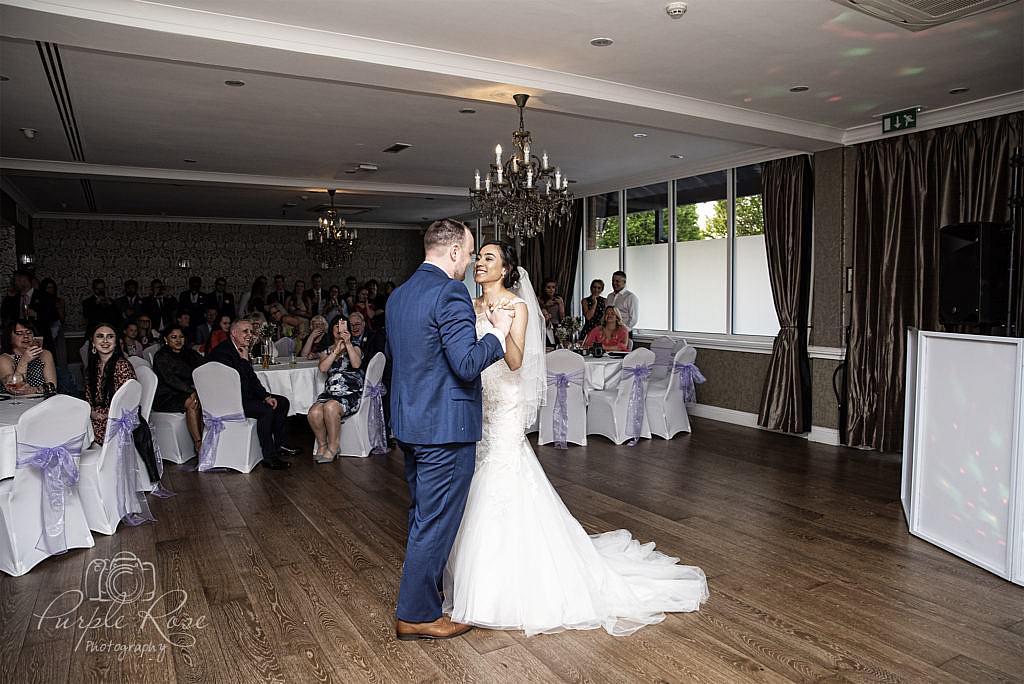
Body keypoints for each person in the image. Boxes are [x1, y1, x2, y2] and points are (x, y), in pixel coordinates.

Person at [444, 242, 708, 637]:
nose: (480, 264)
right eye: (478, 257)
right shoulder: (469, 305)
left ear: (506, 269)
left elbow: (516, 361)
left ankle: (501, 587)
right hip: (478, 399)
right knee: (477, 474)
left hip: (507, 401)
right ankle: (477, 574)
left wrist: (500, 329)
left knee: (501, 474)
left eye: (489, 259)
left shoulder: (517, 306)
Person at [386, 218, 513, 641]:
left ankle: (427, 594)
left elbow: (412, 363)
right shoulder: (450, 292)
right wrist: (497, 333)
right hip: (445, 428)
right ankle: (418, 614)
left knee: (423, 514)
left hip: (411, 423)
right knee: (436, 519)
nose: (471, 260)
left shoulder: (400, 295)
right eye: (471, 251)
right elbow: (466, 363)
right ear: (455, 251)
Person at [208, 319, 295, 470]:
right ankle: (269, 457)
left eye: (251, 331)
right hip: (228, 400)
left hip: (243, 396)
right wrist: (244, 361)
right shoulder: (222, 353)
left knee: (282, 402)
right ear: (234, 333)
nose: (250, 335)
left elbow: (252, 380)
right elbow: (235, 383)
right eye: (245, 331)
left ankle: (280, 445)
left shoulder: (241, 349)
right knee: (266, 410)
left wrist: (266, 396)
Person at [307, 315, 363, 464]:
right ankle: (323, 445)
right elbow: (323, 368)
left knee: (331, 407)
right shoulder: (326, 350)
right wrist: (336, 350)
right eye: (337, 326)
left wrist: (348, 344)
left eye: (343, 326)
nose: (340, 329)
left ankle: (334, 446)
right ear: (332, 330)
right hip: (330, 393)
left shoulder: (355, 346)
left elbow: (356, 364)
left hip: (350, 393)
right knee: (314, 412)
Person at [152, 324, 206, 454]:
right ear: (166, 339)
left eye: (181, 337)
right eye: (173, 337)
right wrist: (191, 391)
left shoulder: (189, 353)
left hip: (186, 391)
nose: (178, 340)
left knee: (205, 399)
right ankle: (199, 444)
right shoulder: (161, 356)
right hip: (167, 395)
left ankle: (209, 439)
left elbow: (204, 365)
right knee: (192, 403)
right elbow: (170, 379)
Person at [85, 323, 136, 445]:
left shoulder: (122, 366)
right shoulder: (92, 367)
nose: (105, 340)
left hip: (117, 418)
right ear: (93, 342)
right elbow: (88, 398)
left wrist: (105, 415)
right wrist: (92, 413)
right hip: (96, 416)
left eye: (110, 336)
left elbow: (127, 403)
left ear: (116, 342)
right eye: (100, 336)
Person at [0, 319, 57, 394]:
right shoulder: (4, 359)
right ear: (10, 338)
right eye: (19, 333)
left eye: (29, 332)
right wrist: (24, 361)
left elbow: (52, 387)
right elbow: (13, 387)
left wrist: (34, 390)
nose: (26, 336)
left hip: (43, 401)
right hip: (15, 402)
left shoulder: (45, 354)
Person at [2, 270, 55, 350]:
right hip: (19, 341)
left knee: (39, 361)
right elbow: (4, 314)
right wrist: (9, 297)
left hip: (38, 338)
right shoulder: (14, 297)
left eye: (16, 280)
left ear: (24, 280)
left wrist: (36, 315)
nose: (14, 283)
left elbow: (53, 316)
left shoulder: (43, 296)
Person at [39, 278, 67, 367]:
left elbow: (62, 319)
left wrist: (59, 309)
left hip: (57, 329)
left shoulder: (59, 301)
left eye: (52, 288)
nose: (50, 290)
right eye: (48, 288)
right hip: (44, 331)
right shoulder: (40, 301)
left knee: (59, 356)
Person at [539, 277, 565, 346]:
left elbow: (562, 318)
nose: (551, 290)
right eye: (548, 287)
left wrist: (560, 305)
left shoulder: (559, 299)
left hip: (557, 327)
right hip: (544, 327)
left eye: (553, 287)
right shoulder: (540, 299)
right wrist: (546, 305)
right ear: (544, 288)